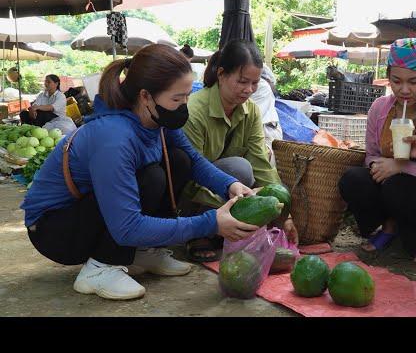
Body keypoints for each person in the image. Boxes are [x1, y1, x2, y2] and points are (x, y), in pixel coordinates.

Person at [21, 45, 259, 301]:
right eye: (177, 99)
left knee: (177, 161)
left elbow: (193, 160)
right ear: (145, 96)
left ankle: (145, 251)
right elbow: (127, 226)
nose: (184, 106)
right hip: (54, 230)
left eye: (187, 96)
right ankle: (101, 267)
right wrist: (210, 223)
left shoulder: (156, 119)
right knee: (151, 177)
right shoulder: (113, 138)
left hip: (90, 212)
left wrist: (230, 185)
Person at [338, 38, 416, 264]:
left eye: (413, 81)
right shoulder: (380, 108)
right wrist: (378, 166)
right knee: (353, 179)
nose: (404, 90)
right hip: (393, 189)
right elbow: (371, 154)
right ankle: (390, 224)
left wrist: (403, 166)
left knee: (399, 186)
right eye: (396, 81)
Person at [181, 39, 298, 262]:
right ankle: (201, 231)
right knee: (239, 167)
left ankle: (225, 229)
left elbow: (261, 165)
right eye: (243, 81)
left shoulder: (251, 111)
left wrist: (283, 214)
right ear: (222, 74)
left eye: (255, 83)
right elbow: (190, 174)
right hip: (191, 193)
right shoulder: (194, 111)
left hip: (230, 194)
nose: (249, 90)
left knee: (255, 173)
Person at [250, 64, 283, 166]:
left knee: (264, 164)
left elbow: (253, 117)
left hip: (266, 131)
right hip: (260, 131)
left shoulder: (262, 86)